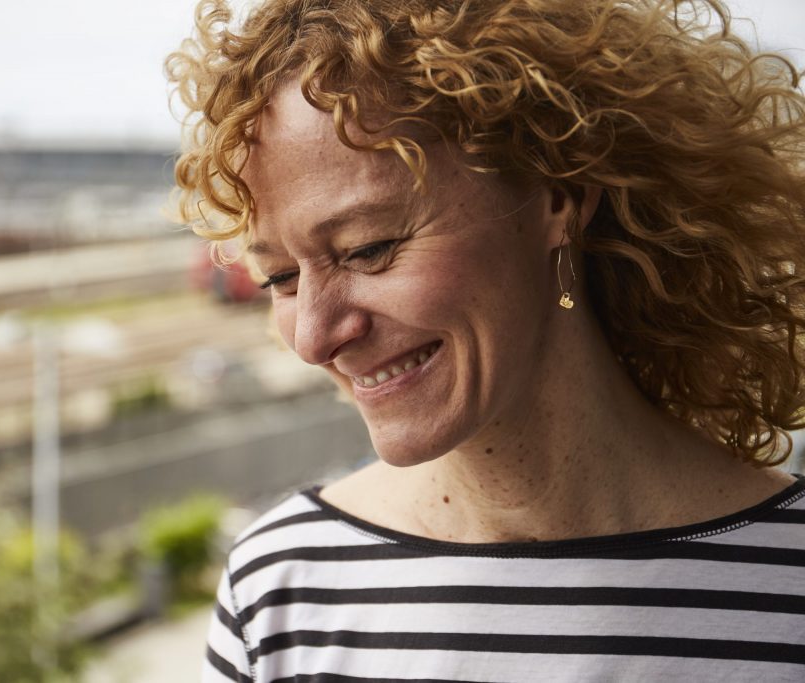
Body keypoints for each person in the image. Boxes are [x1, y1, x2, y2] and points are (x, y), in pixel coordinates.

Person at [166, 0, 805, 680]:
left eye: (368, 247)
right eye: (282, 277)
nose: (316, 337)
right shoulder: (282, 593)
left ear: (560, 194)